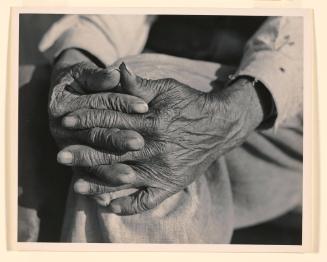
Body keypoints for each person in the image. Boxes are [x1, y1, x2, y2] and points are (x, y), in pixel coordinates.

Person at [22, 15, 303, 243]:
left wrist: (240, 108)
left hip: (292, 94)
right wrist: (75, 61)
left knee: (142, 118)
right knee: (24, 87)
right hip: (178, 60)